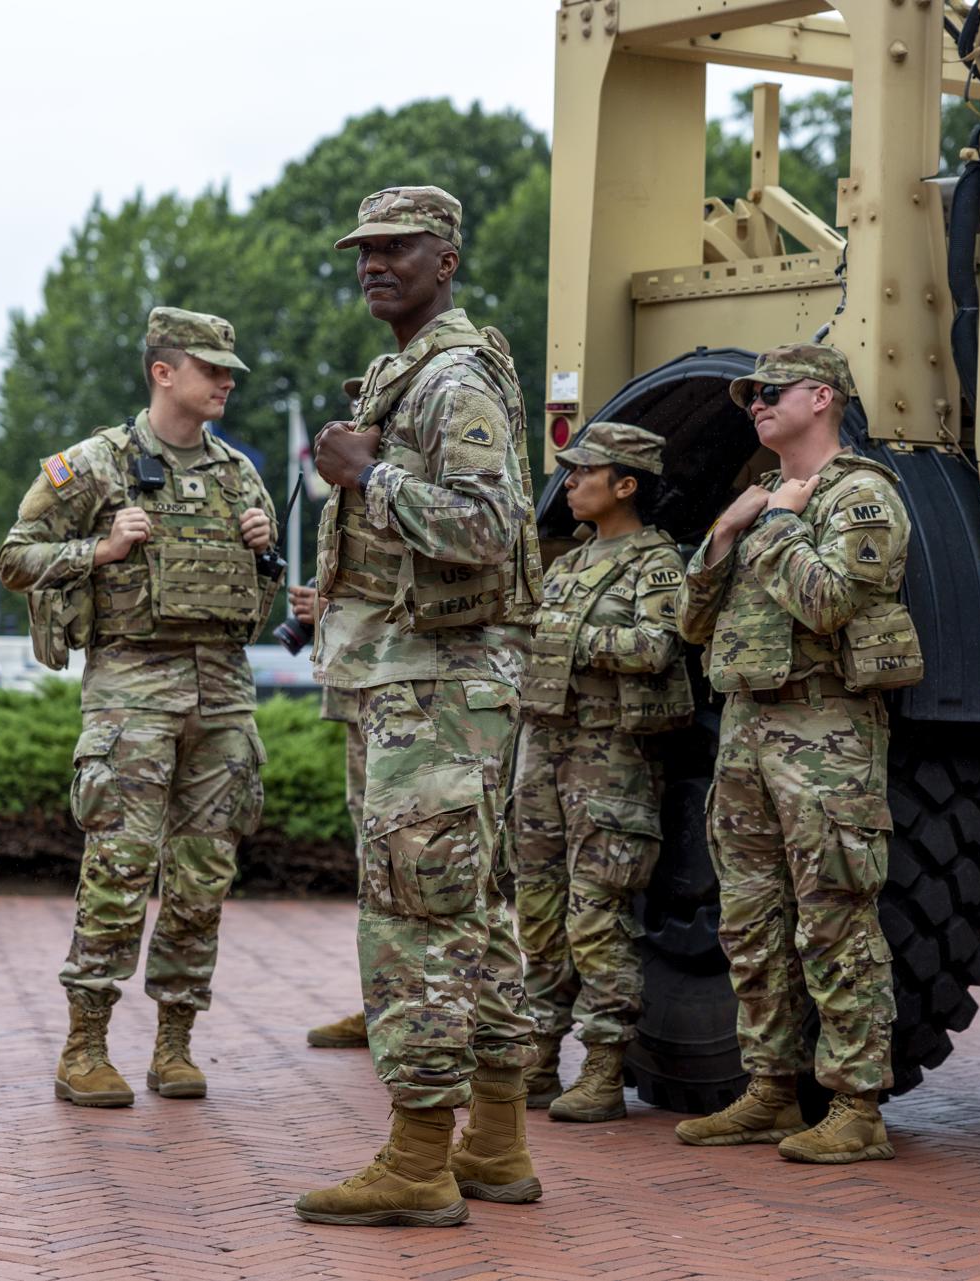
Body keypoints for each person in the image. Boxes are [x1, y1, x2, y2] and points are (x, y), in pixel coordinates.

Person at [296, 186, 544, 1228]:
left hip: (436, 690)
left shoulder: (450, 382)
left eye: (396, 249)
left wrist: (370, 476)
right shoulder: (412, 375)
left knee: (416, 920)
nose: (373, 265)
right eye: (363, 251)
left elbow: (491, 526)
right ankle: (493, 1142)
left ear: (446, 259)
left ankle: (416, 1159)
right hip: (415, 684)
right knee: (472, 912)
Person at [0, 306, 281, 1109]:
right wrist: (102, 548)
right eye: (211, 367)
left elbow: (255, 615)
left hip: (222, 697)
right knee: (120, 869)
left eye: (229, 370)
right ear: (163, 372)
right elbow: (14, 557)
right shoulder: (92, 466)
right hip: (131, 693)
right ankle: (85, 1044)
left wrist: (263, 556)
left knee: (203, 878)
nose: (226, 380)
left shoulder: (238, 475)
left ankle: (176, 1044)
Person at [673, 344, 919, 1163]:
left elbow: (828, 605)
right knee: (749, 920)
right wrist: (726, 530)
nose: (755, 403)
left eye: (769, 392)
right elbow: (689, 621)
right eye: (750, 395)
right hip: (747, 728)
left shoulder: (861, 496)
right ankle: (771, 1090)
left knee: (835, 918)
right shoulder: (763, 496)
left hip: (825, 734)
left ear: (822, 397)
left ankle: (856, 1106)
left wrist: (774, 524)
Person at [513, 422, 692, 1122]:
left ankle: (604, 1063)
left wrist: (566, 637)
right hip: (545, 750)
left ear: (626, 484)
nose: (571, 483)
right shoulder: (570, 563)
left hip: (610, 758)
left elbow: (656, 646)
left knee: (596, 914)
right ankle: (537, 1058)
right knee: (538, 909)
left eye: (585, 472)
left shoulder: (656, 562)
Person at [294, 582, 374, 1051]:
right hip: (362, 698)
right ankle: (385, 1004)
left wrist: (340, 610)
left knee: (413, 861)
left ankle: (432, 1013)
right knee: (373, 861)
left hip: (408, 704)